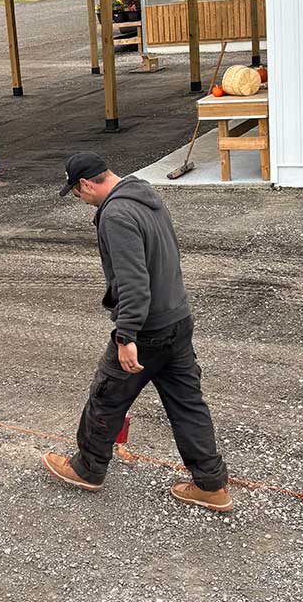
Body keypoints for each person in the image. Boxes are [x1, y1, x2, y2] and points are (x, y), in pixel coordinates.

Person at [41, 152, 233, 512]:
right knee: (188, 404)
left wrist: (126, 336)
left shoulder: (115, 215)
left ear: (86, 184)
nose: (80, 200)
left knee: (108, 397)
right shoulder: (144, 193)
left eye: (77, 193)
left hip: (146, 330)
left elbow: (133, 282)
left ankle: (87, 469)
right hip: (177, 318)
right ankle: (211, 485)